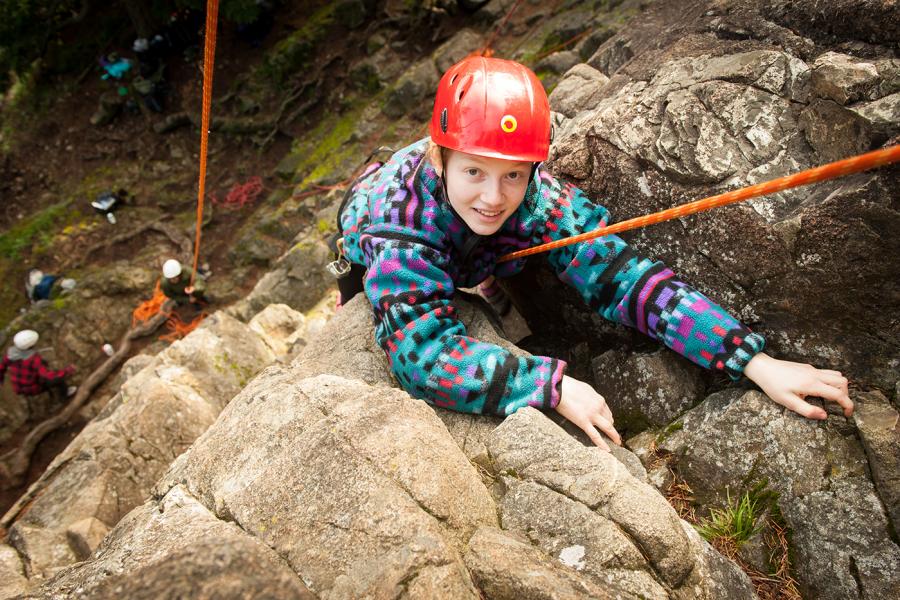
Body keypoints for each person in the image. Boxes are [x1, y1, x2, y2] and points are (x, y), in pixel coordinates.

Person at [333, 56, 852, 450]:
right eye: (474, 171)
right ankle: (474, 279)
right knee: (383, 298)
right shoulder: (397, 223)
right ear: (440, 157)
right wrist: (548, 387)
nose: (494, 196)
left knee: (491, 249)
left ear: (533, 170)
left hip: (470, 248)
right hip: (368, 246)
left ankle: (490, 280)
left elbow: (626, 279)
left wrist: (752, 360)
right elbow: (421, 357)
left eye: (512, 173)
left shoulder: (539, 200)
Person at [0, 330, 76, 404]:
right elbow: (46, 376)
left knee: (42, 365)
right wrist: (66, 371)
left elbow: (1, 367)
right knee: (59, 380)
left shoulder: (10, 354)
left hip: (18, 388)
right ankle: (64, 396)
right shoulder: (33, 359)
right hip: (33, 388)